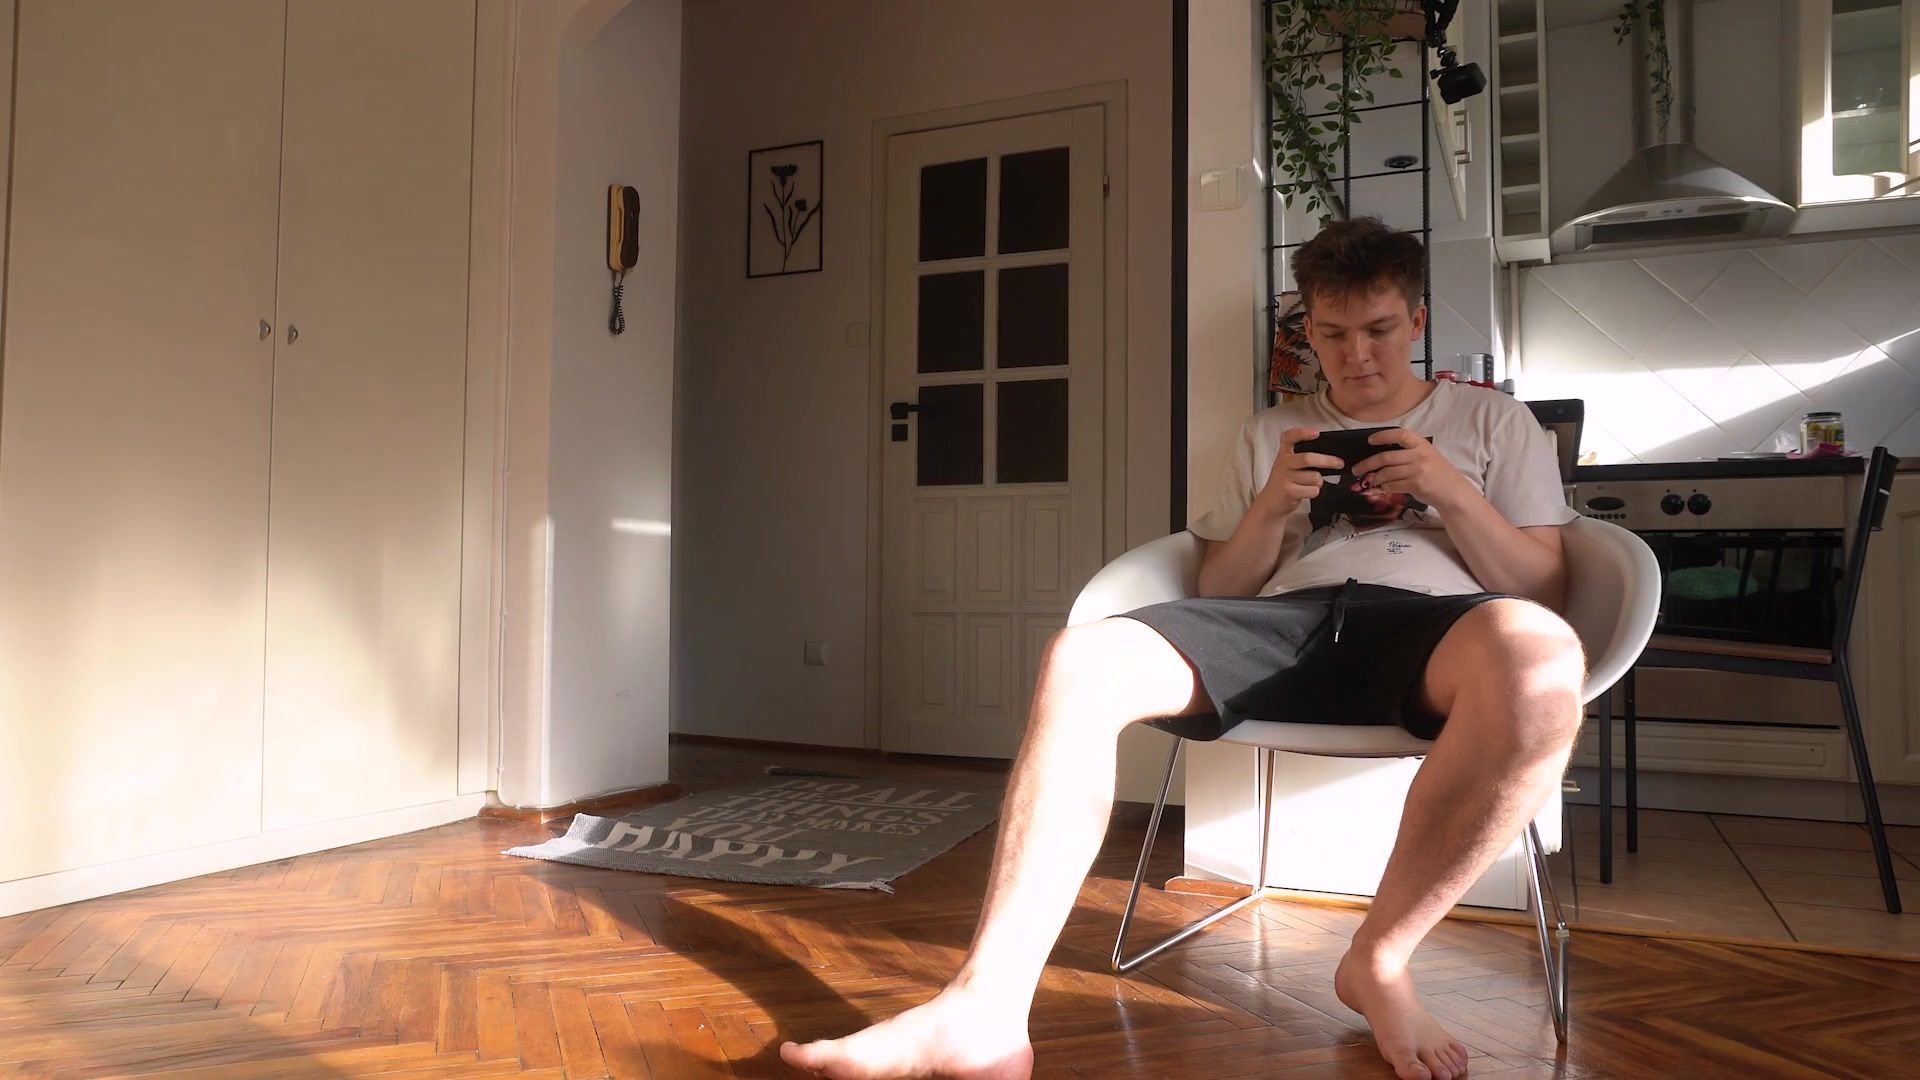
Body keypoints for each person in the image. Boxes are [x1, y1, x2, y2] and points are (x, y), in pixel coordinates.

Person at [782, 217, 1585, 1080]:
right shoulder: (1270, 432)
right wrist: (1272, 506)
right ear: (1307, 331)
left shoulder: (1493, 421)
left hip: (1437, 627)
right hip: (1283, 622)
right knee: (1080, 660)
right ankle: (984, 1010)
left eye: (1380, 329)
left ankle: (1379, 960)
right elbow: (1220, 589)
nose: (1357, 355)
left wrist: (1449, 490)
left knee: (1540, 661)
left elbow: (1543, 586)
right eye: (1332, 334)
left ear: (1418, 321)